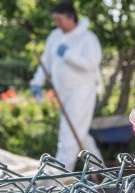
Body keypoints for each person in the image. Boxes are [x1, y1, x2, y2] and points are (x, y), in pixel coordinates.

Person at [30, 2, 103, 170]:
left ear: (71, 18)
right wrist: (36, 82)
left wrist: (69, 55)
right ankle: (103, 175)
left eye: (60, 19)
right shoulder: (54, 36)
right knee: (80, 135)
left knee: (68, 136)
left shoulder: (87, 38)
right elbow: (45, 62)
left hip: (82, 92)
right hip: (64, 93)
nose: (57, 24)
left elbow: (92, 64)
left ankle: (59, 182)